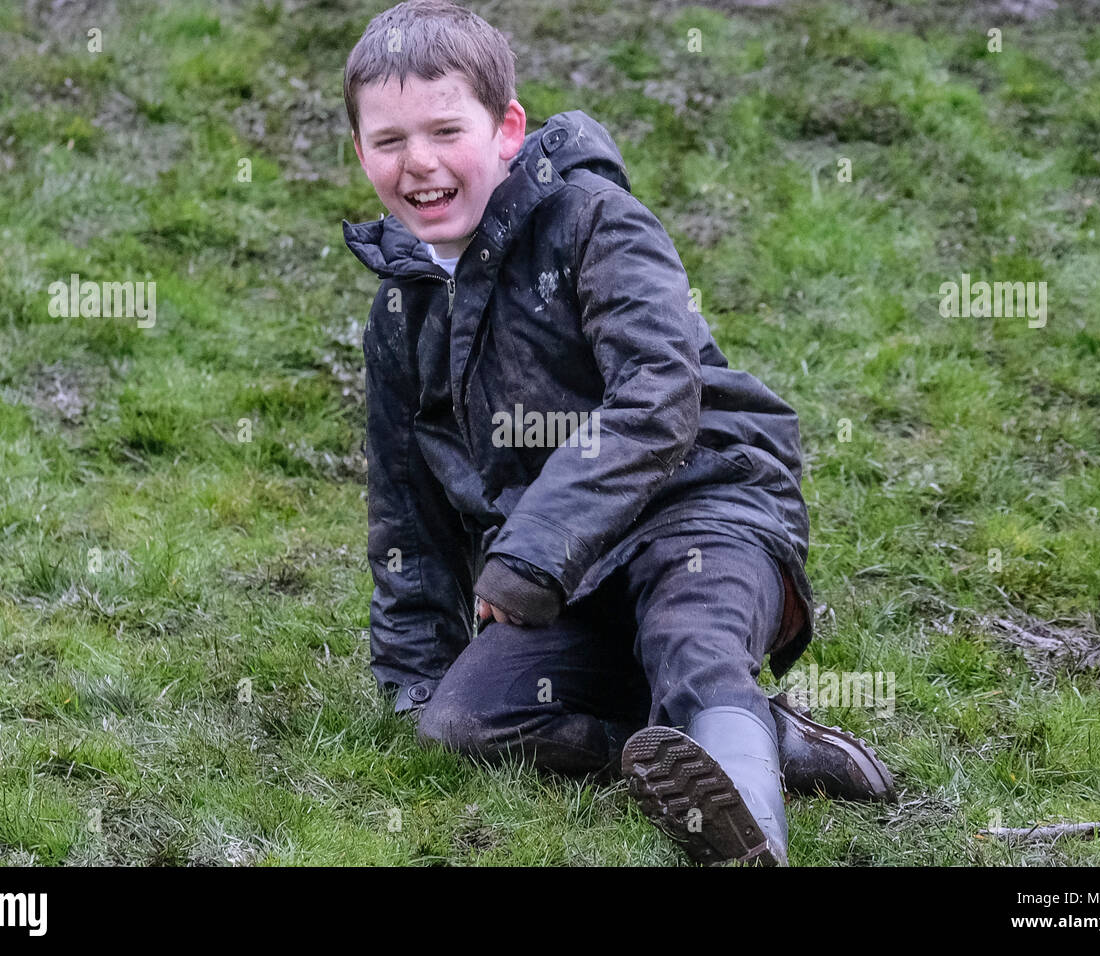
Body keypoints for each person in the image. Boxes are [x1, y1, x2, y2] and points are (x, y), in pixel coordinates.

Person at [341, 0, 893, 865]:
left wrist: (530, 551)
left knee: (694, 647)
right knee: (463, 722)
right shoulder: (399, 310)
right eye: (388, 142)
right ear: (361, 151)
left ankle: (749, 840)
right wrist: (420, 677)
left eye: (446, 130)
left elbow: (658, 397)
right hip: (574, 572)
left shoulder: (598, 222)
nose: (419, 164)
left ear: (507, 129)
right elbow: (405, 506)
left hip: (704, 508)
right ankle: (755, 741)